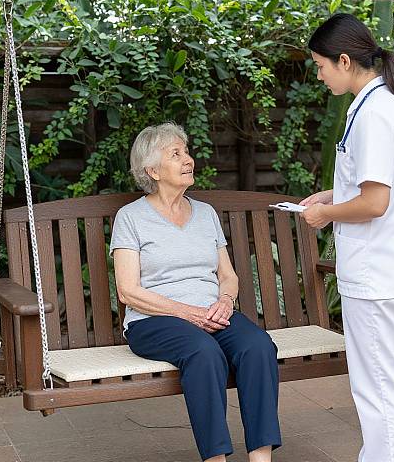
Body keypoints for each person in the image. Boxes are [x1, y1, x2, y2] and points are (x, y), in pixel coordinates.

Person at [110, 122, 281, 462]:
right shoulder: (130, 218)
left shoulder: (205, 214)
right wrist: (187, 312)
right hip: (154, 319)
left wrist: (225, 301)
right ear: (152, 170)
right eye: (176, 154)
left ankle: (261, 458)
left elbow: (228, 275)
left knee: (259, 346)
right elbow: (128, 292)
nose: (188, 159)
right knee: (204, 353)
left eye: (186, 151)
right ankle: (215, 457)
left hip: (211, 312)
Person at [300, 13, 394, 462]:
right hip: (380, 267)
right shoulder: (379, 105)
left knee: (377, 386)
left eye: (320, 65)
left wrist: (325, 214)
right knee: (378, 382)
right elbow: (376, 183)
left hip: (374, 271)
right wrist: (335, 193)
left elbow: (375, 203)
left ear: (346, 61)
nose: (318, 74)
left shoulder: (374, 112)